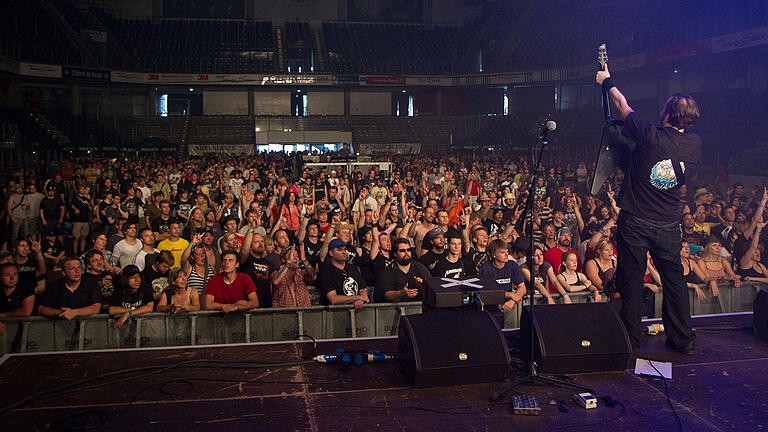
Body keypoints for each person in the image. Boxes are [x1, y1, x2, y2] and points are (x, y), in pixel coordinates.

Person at [597, 65, 702, 355]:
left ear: (666, 114)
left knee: (631, 281)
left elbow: (622, 105)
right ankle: (683, 339)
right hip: (669, 222)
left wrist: (608, 81)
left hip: (637, 220)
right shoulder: (695, 143)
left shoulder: (651, 135)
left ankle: (630, 343)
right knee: (674, 281)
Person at [317, 238, 369, 309]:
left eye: (345, 249)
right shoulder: (326, 271)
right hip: (334, 315)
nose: (344, 252)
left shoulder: (353, 268)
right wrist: (357, 298)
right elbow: (333, 299)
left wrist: (361, 299)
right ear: (331, 253)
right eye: (340, 250)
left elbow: (363, 288)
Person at [378, 238, 431, 303]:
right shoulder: (388, 271)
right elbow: (386, 295)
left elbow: (432, 288)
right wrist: (402, 293)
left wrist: (424, 285)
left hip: (418, 308)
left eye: (408, 250)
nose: (406, 253)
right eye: (402, 251)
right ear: (395, 254)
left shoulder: (420, 268)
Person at [480, 239, 527, 311]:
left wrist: (512, 301)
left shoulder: (512, 265)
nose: (506, 254)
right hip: (491, 306)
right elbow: (488, 293)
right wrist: (510, 294)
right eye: (503, 252)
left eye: (507, 251)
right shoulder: (486, 267)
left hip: (509, 305)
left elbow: (522, 288)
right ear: (494, 255)